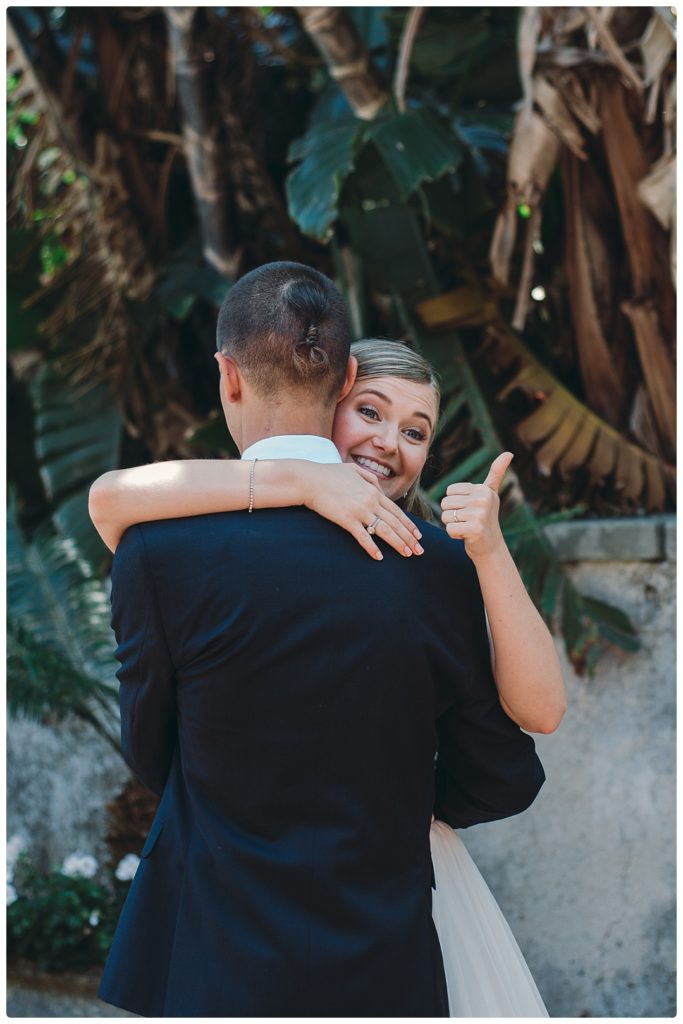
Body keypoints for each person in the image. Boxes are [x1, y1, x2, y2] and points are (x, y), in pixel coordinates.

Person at [92, 261, 550, 1017]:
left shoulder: (155, 550)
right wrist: (394, 805)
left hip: (210, 958)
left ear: (227, 376)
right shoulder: (433, 566)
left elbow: (150, 748)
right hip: (377, 961)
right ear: (342, 382)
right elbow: (503, 773)